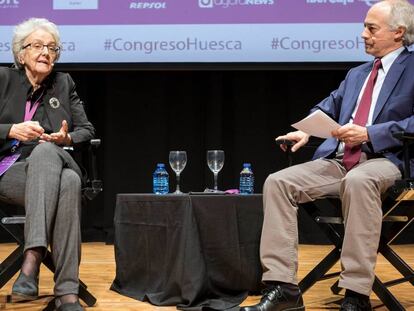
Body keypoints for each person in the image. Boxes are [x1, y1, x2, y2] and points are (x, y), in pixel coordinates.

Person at [240, 1, 414, 311]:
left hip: (387, 161)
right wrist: (307, 130)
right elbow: (328, 106)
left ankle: (356, 294)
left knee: (360, 180)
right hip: (339, 161)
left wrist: (370, 134)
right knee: (278, 182)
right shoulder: (357, 73)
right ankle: (284, 289)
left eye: (371, 28)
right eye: (364, 27)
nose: (363, 34)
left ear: (398, 32)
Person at [0, 18, 95, 311]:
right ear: (21, 54)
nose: (46, 53)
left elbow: (87, 130)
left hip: (56, 155)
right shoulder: (3, 80)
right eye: (38, 46)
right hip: (10, 170)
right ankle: (67, 293)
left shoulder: (63, 83)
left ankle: (32, 259)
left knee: (44, 152)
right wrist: (11, 129)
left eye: (52, 48)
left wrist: (65, 139)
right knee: (69, 183)